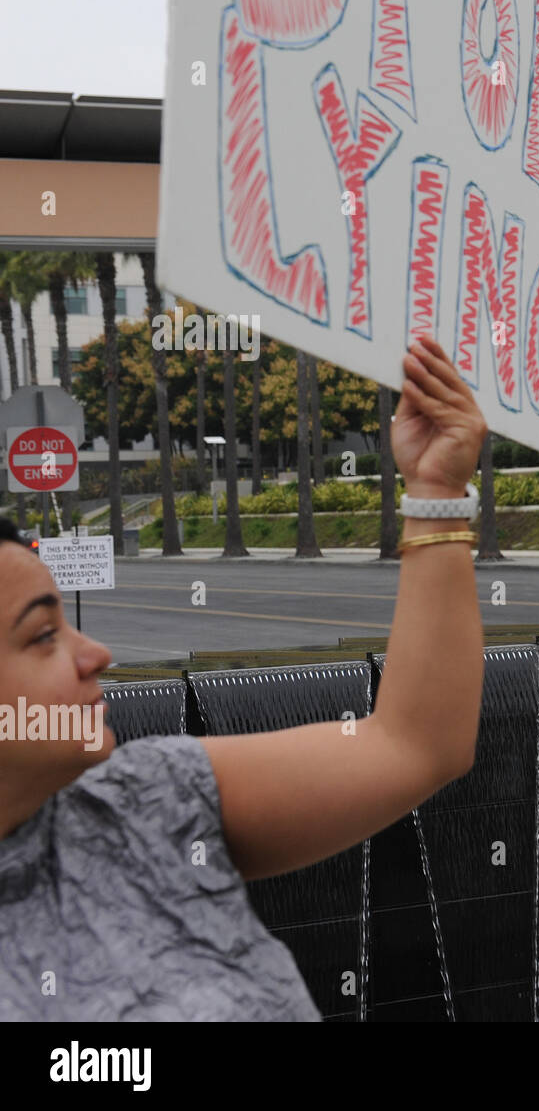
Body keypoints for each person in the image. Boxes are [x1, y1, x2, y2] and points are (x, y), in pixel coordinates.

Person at [0, 336, 487, 1020]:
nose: (95, 653)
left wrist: (436, 489)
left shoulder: (150, 799)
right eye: (43, 634)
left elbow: (418, 743)